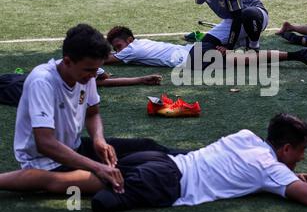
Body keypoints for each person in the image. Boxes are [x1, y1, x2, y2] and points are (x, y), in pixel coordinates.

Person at [6, 24, 183, 194]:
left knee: (147, 147)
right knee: (121, 177)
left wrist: (99, 140)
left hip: (74, 148)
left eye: (96, 70)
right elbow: (45, 144)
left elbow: (92, 114)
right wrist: (97, 166)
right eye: (89, 70)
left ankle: (196, 159)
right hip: (44, 162)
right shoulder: (42, 81)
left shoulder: (86, 73)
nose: (93, 76)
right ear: (67, 61)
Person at [89, 113, 307, 212]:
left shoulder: (246, 136)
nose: (302, 157)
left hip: (162, 161)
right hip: (167, 182)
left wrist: (292, 175)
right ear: (285, 148)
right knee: (101, 196)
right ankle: (50, 179)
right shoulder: (271, 169)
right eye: (301, 151)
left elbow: (240, 165)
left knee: (104, 174)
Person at [105, 26, 307, 70]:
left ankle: (298, 54)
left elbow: (105, 60)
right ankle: (297, 54)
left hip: (193, 57)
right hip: (195, 52)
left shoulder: (131, 49)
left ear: (130, 40)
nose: (118, 51)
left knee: (247, 60)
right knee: (246, 60)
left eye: (119, 46)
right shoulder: (139, 43)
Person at [0, 68, 162, 107]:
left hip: (23, 81)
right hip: (22, 86)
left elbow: (103, 82)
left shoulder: (83, 75)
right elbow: (103, 80)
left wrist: (140, 79)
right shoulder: (81, 68)